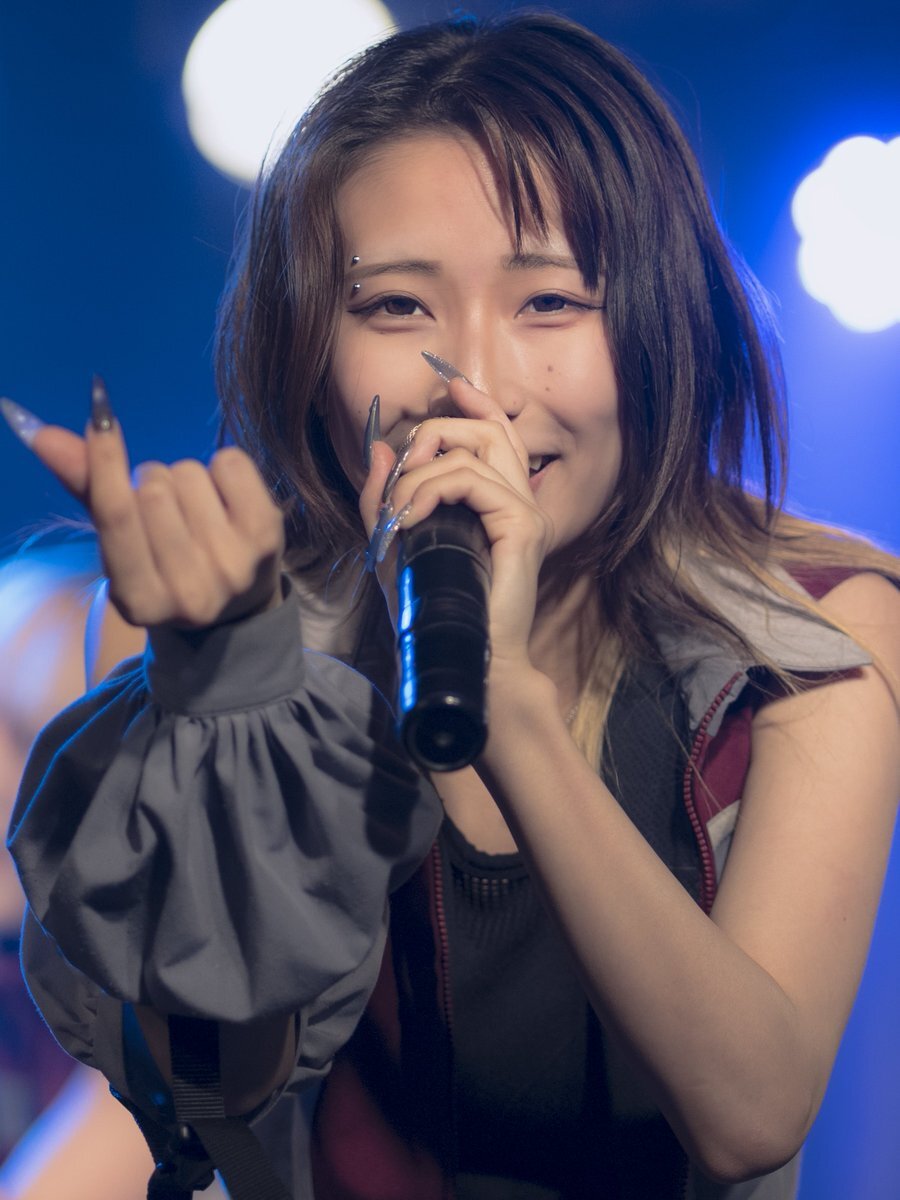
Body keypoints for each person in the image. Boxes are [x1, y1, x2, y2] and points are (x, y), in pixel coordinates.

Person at [3, 11, 899, 1199]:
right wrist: (224, 705)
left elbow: (750, 1113)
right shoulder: (227, 633)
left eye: (551, 302)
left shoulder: (816, 634)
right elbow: (211, 1100)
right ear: (304, 350)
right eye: (395, 308)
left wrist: (505, 699)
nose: (472, 387)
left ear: (662, 324)